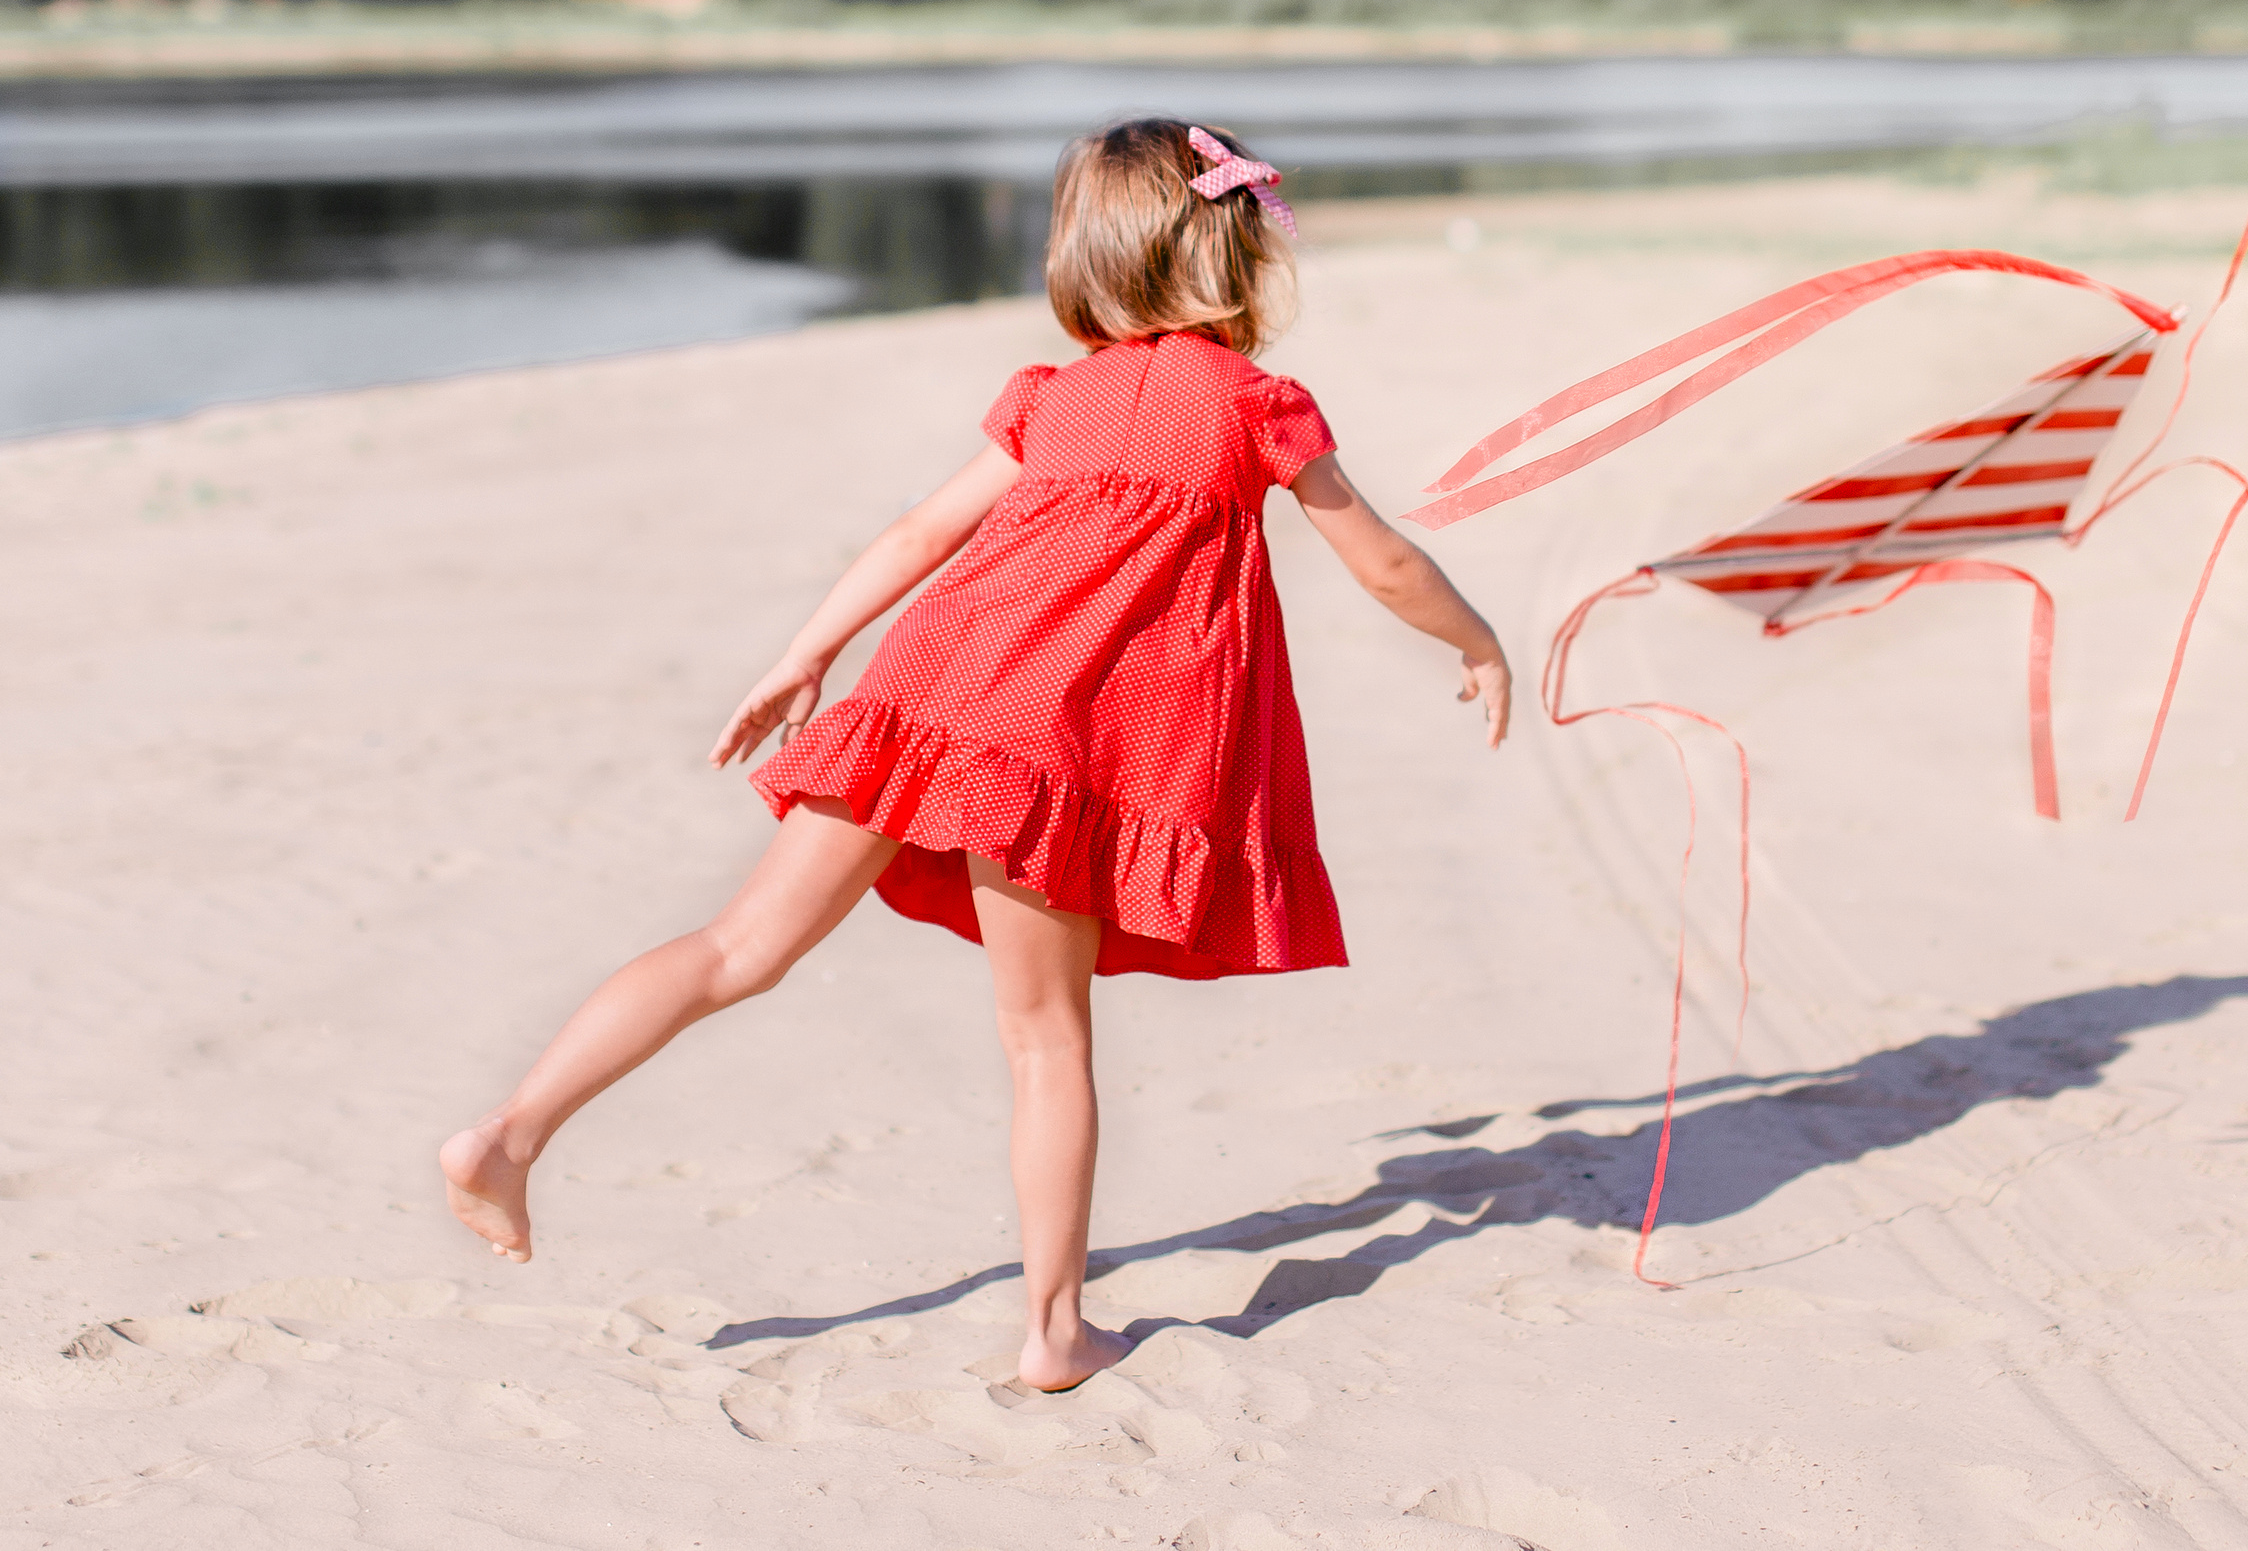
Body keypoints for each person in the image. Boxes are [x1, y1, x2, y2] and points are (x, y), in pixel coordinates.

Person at [439, 119, 1511, 1392]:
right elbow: (1381, 558)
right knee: (1047, 1040)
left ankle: (509, 1131)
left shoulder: (1049, 398)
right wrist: (1478, 636)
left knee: (738, 948)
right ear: (1229, 248)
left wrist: (807, 652)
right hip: (1044, 748)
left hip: (924, 691)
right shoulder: (1258, 406)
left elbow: (914, 537)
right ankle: (1053, 1330)